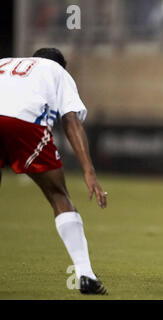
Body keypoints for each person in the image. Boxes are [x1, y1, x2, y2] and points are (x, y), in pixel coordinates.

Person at [0, 48, 108, 295]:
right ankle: (85, 275)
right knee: (59, 195)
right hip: (22, 122)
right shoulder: (57, 71)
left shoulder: (6, 63)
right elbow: (71, 121)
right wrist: (89, 171)